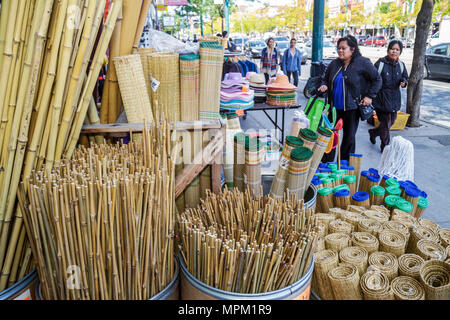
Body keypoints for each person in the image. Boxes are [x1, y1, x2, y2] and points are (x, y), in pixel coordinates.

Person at [318, 35, 382, 162]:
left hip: (352, 109)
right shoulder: (334, 63)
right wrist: (324, 84)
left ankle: (343, 166)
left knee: (348, 138)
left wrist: (370, 96)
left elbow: (377, 79)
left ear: (352, 49)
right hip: (334, 108)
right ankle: (326, 164)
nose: (340, 51)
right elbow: (324, 78)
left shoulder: (362, 62)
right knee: (330, 136)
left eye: (343, 48)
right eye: (338, 48)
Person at [369, 39, 408, 152]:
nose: (394, 51)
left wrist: (404, 82)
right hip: (381, 98)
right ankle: (385, 147)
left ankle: (373, 132)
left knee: (392, 121)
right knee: (386, 124)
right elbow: (373, 78)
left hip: (395, 97)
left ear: (400, 52)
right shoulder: (380, 63)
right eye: (392, 49)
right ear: (388, 49)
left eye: (397, 49)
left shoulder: (401, 64)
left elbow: (405, 76)